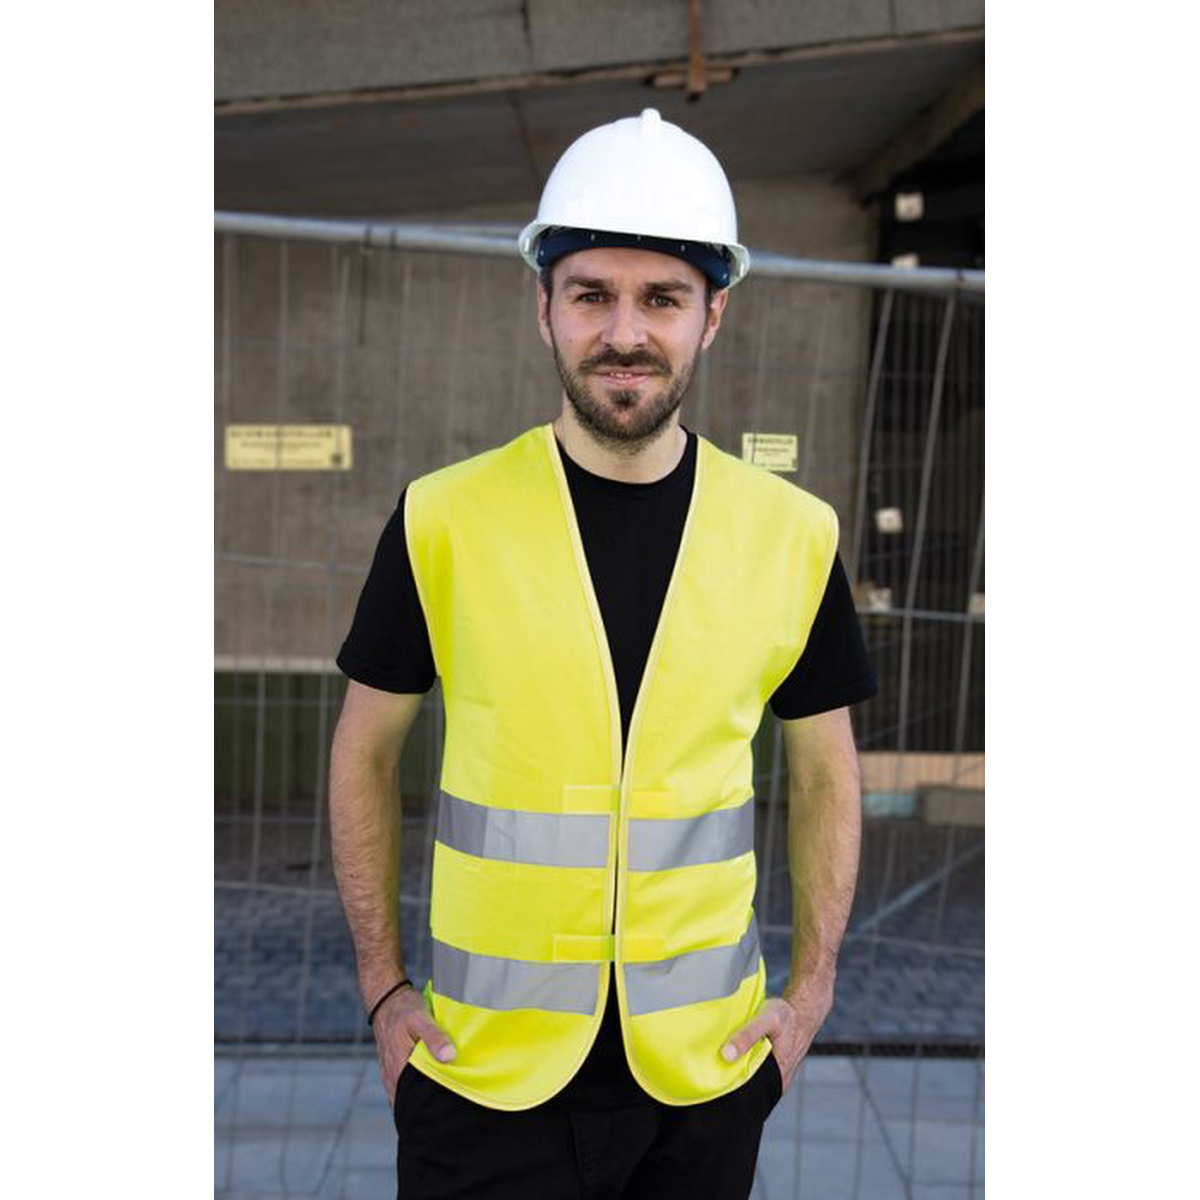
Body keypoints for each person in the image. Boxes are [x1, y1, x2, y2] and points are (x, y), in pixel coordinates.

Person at [330, 108, 876, 1199]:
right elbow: (363, 751)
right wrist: (385, 991)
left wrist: (811, 994)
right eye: (591, 294)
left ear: (713, 315)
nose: (625, 332)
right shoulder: (443, 519)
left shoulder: (794, 535)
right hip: (482, 1078)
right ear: (544, 306)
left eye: (662, 297)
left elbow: (827, 771)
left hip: (703, 1084)